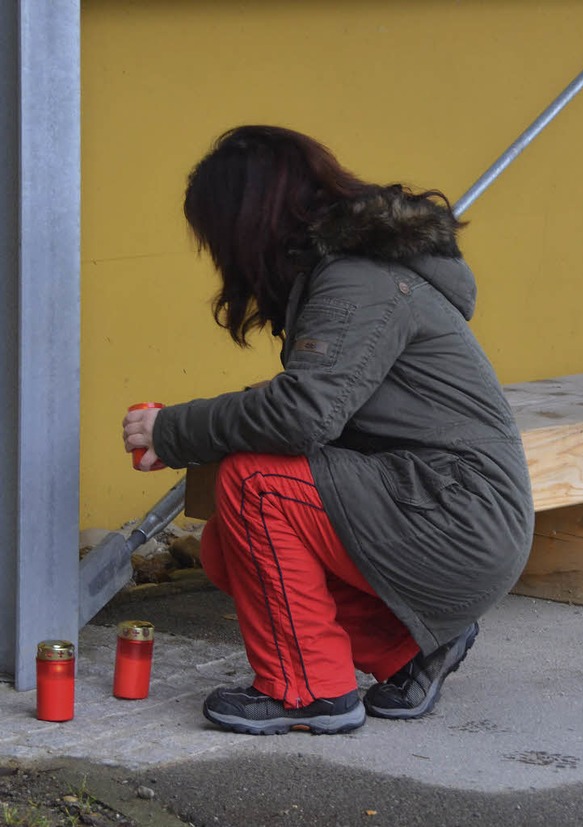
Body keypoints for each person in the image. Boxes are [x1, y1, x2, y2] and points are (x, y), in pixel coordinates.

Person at [122, 125, 534, 736]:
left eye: (215, 234)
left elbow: (301, 414)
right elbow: (315, 404)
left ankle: (309, 690)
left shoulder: (357, 279)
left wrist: (174, 429)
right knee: (225, 547)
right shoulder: (351, 271)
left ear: (248, 218)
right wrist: (178, 432)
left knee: (255, 485)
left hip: (458, 512)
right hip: (441, 501)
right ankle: (408, 648)